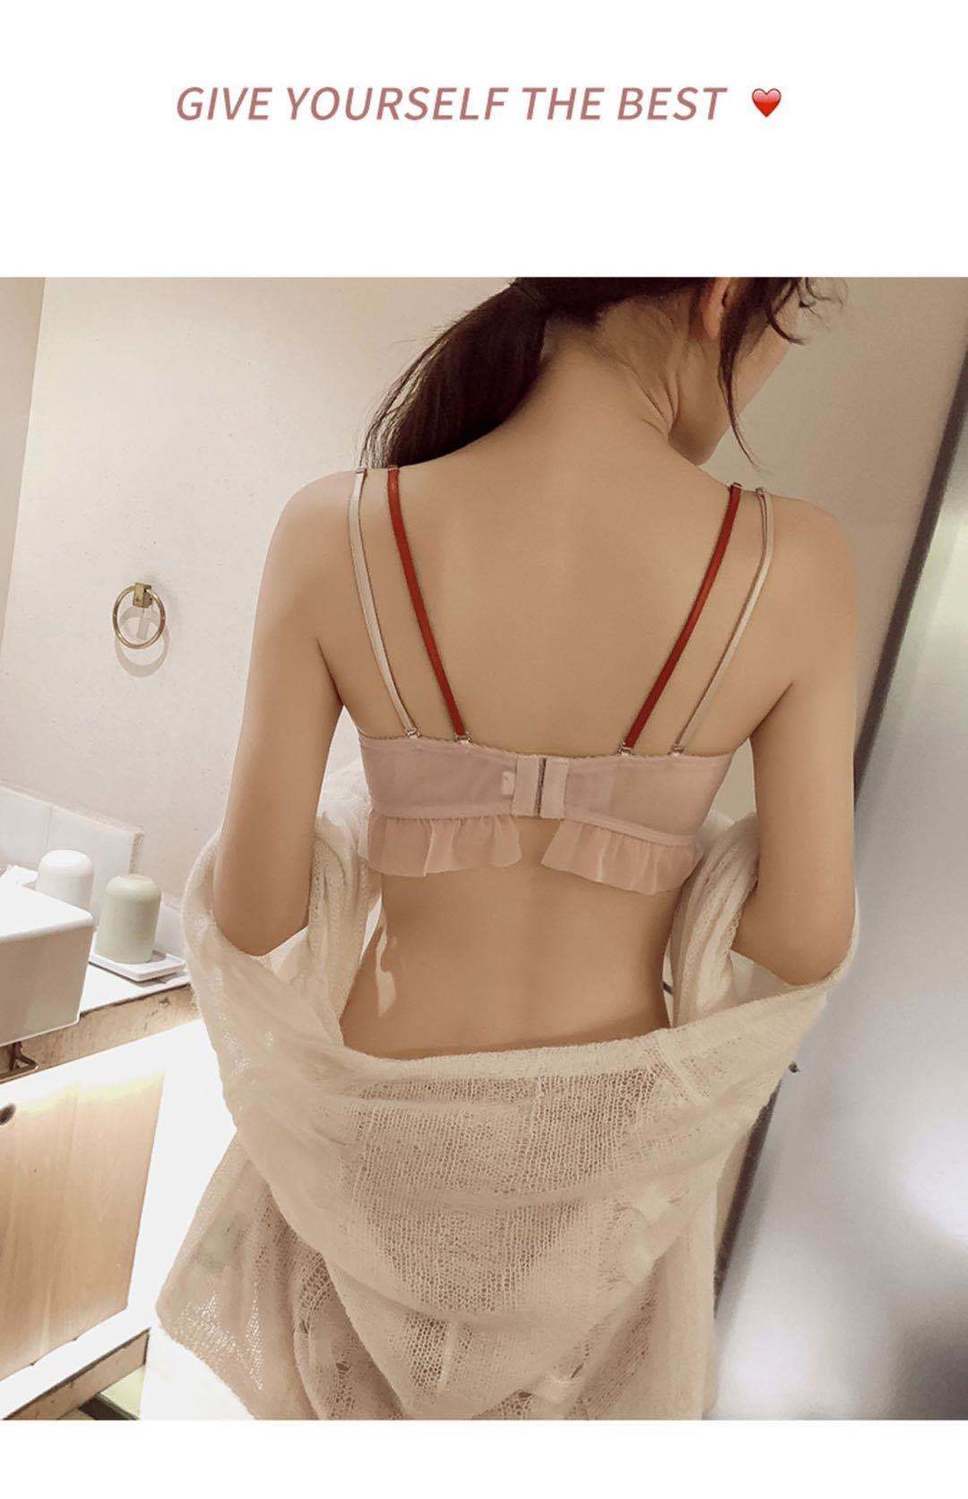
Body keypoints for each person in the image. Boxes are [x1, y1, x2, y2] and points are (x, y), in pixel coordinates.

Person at [211, 278, 857, 1064]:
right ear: (725, 295)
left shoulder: (332, 528)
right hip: (605, 1118)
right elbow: (803, 937)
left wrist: (389, 814)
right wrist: (675, 849)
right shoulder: (794, 562)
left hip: (372, 1104)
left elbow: (253, 913)